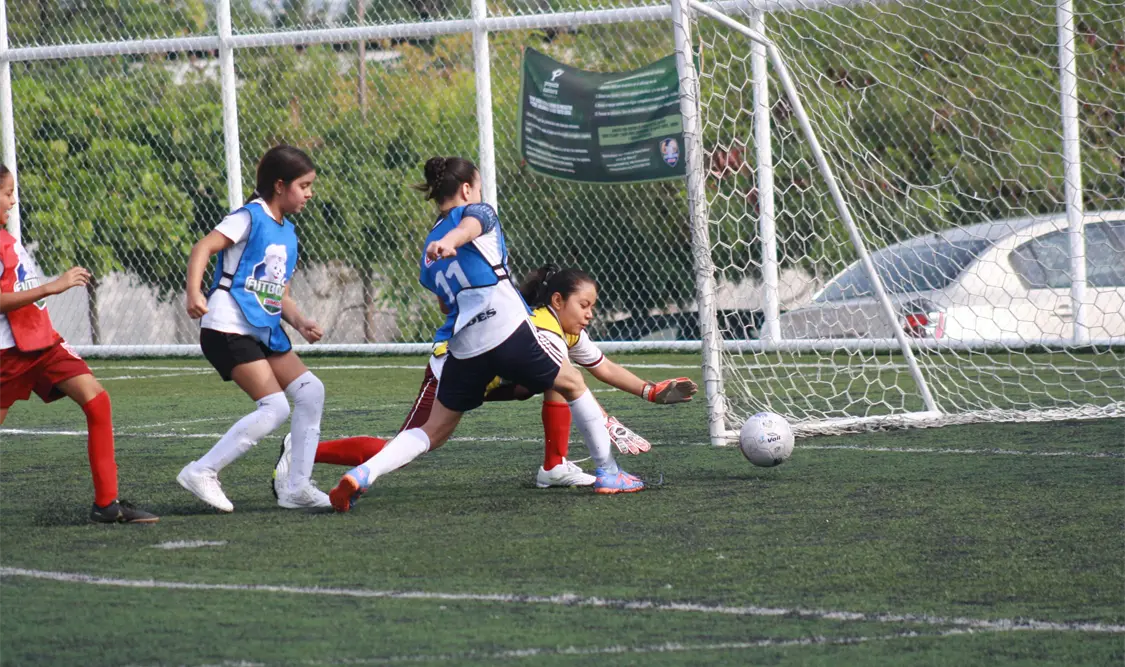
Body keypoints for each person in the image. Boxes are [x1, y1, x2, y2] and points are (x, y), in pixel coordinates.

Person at [328, 156, 645, 512]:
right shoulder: (476, 213)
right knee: (571, 382)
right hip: (505, 328)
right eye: (477, 187)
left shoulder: (428, 251)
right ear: (467, 189)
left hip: (464, 346)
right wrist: (452, 240)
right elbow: (470, 227)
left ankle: (365, 473)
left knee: (433, 430)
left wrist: (445, 245)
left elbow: (446, 306)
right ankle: (608, 473)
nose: (479, 194)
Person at [278, 264, 696, 492]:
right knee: (406, 448)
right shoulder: (541, 329)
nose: (589, 314)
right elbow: (576, 385)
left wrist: (650, 391)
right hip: (449, 369)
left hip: (489, 377)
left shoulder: (566, 330)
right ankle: (303, 449)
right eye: (584, 305)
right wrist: (606, 422)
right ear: (557, 301)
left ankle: (553, 467)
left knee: (555, 381)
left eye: (592, 306)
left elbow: (601, 367)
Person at [0, 165, 158, 524]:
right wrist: (52, 286)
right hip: (8, 353)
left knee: (97, 400)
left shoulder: (6, 238)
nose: (13, 200)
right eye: (7, 193)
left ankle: (107, 504)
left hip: (42, 343)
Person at [178, 144, 329, 513]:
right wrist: (194, 292)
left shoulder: (288, 233)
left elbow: (280, 295)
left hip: (263, 329)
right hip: (227, 326)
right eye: (304, 185)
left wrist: (300, 321)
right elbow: (202, 248)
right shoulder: (249, 216)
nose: (309, 193)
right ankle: (201, 471)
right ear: (279, 186)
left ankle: (296, 487)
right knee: (275, 407)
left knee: (311, 392)